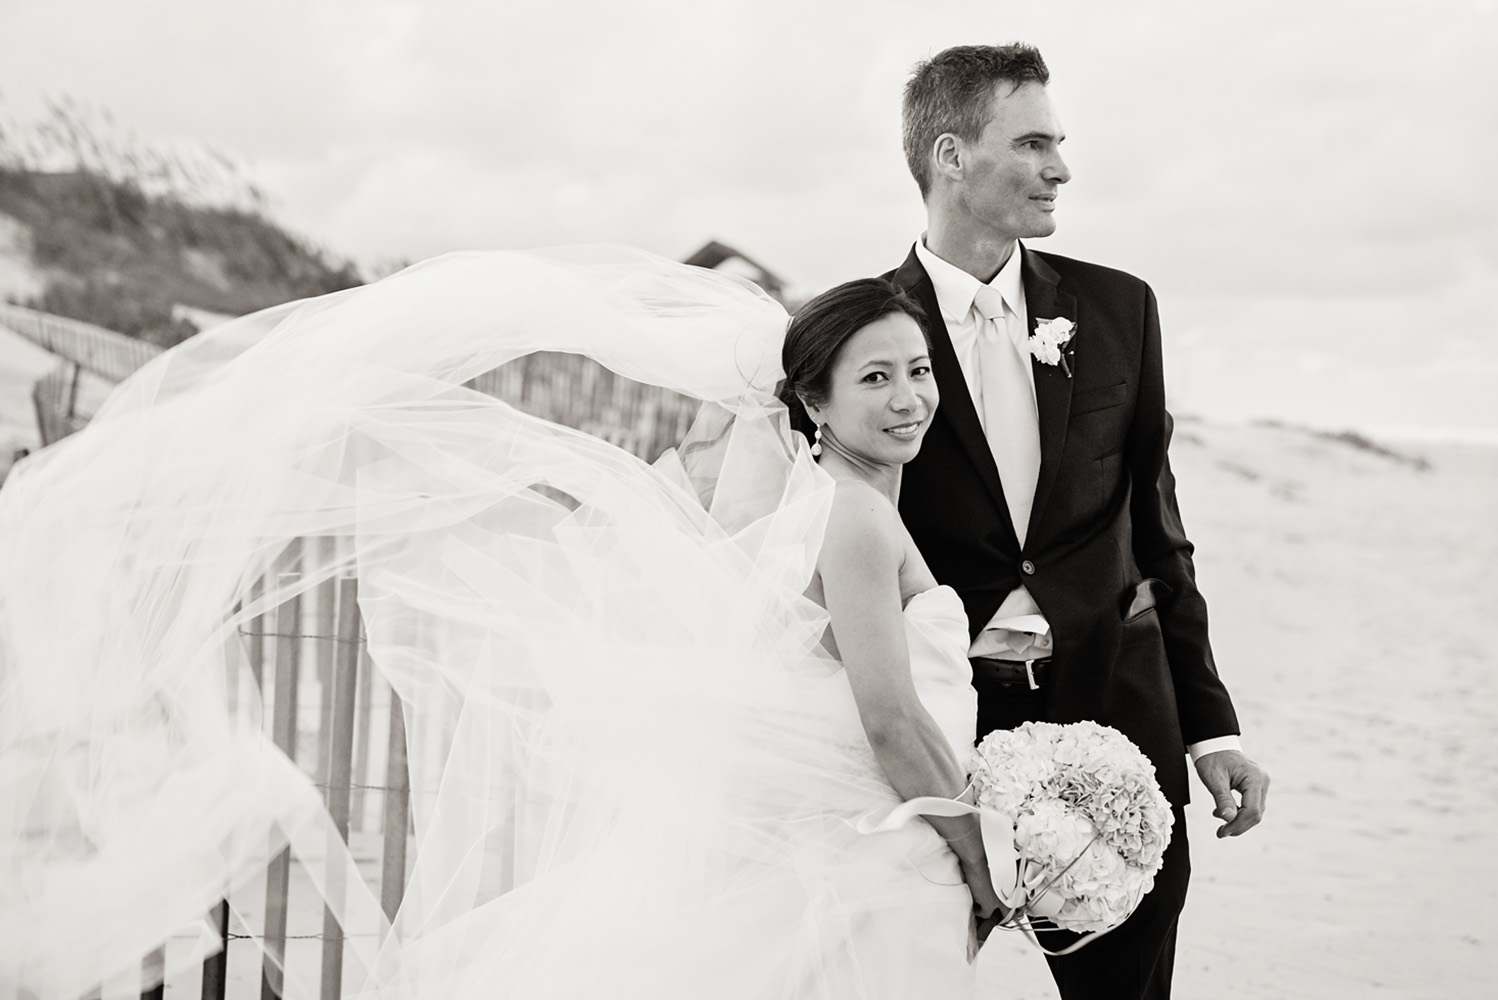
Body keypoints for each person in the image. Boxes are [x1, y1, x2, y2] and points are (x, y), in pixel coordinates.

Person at [0, 251, 998, 998]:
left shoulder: (822, 501)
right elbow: (889, 723)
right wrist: (986, 855)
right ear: (813, 403)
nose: (909, 396)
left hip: (847, 834)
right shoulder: (857, 518)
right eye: (875, 377)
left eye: (917, 369)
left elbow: (814, 688)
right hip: (888, 848)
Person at [882, 43, 1270, 999]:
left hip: (1117, 716)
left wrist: (1210, 730)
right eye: (1033, 143)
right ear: (950, 155)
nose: (1061, 167)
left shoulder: (1118, 308)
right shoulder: (867, 334)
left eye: (1061, 143)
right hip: (944, 728)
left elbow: (1157, 528)